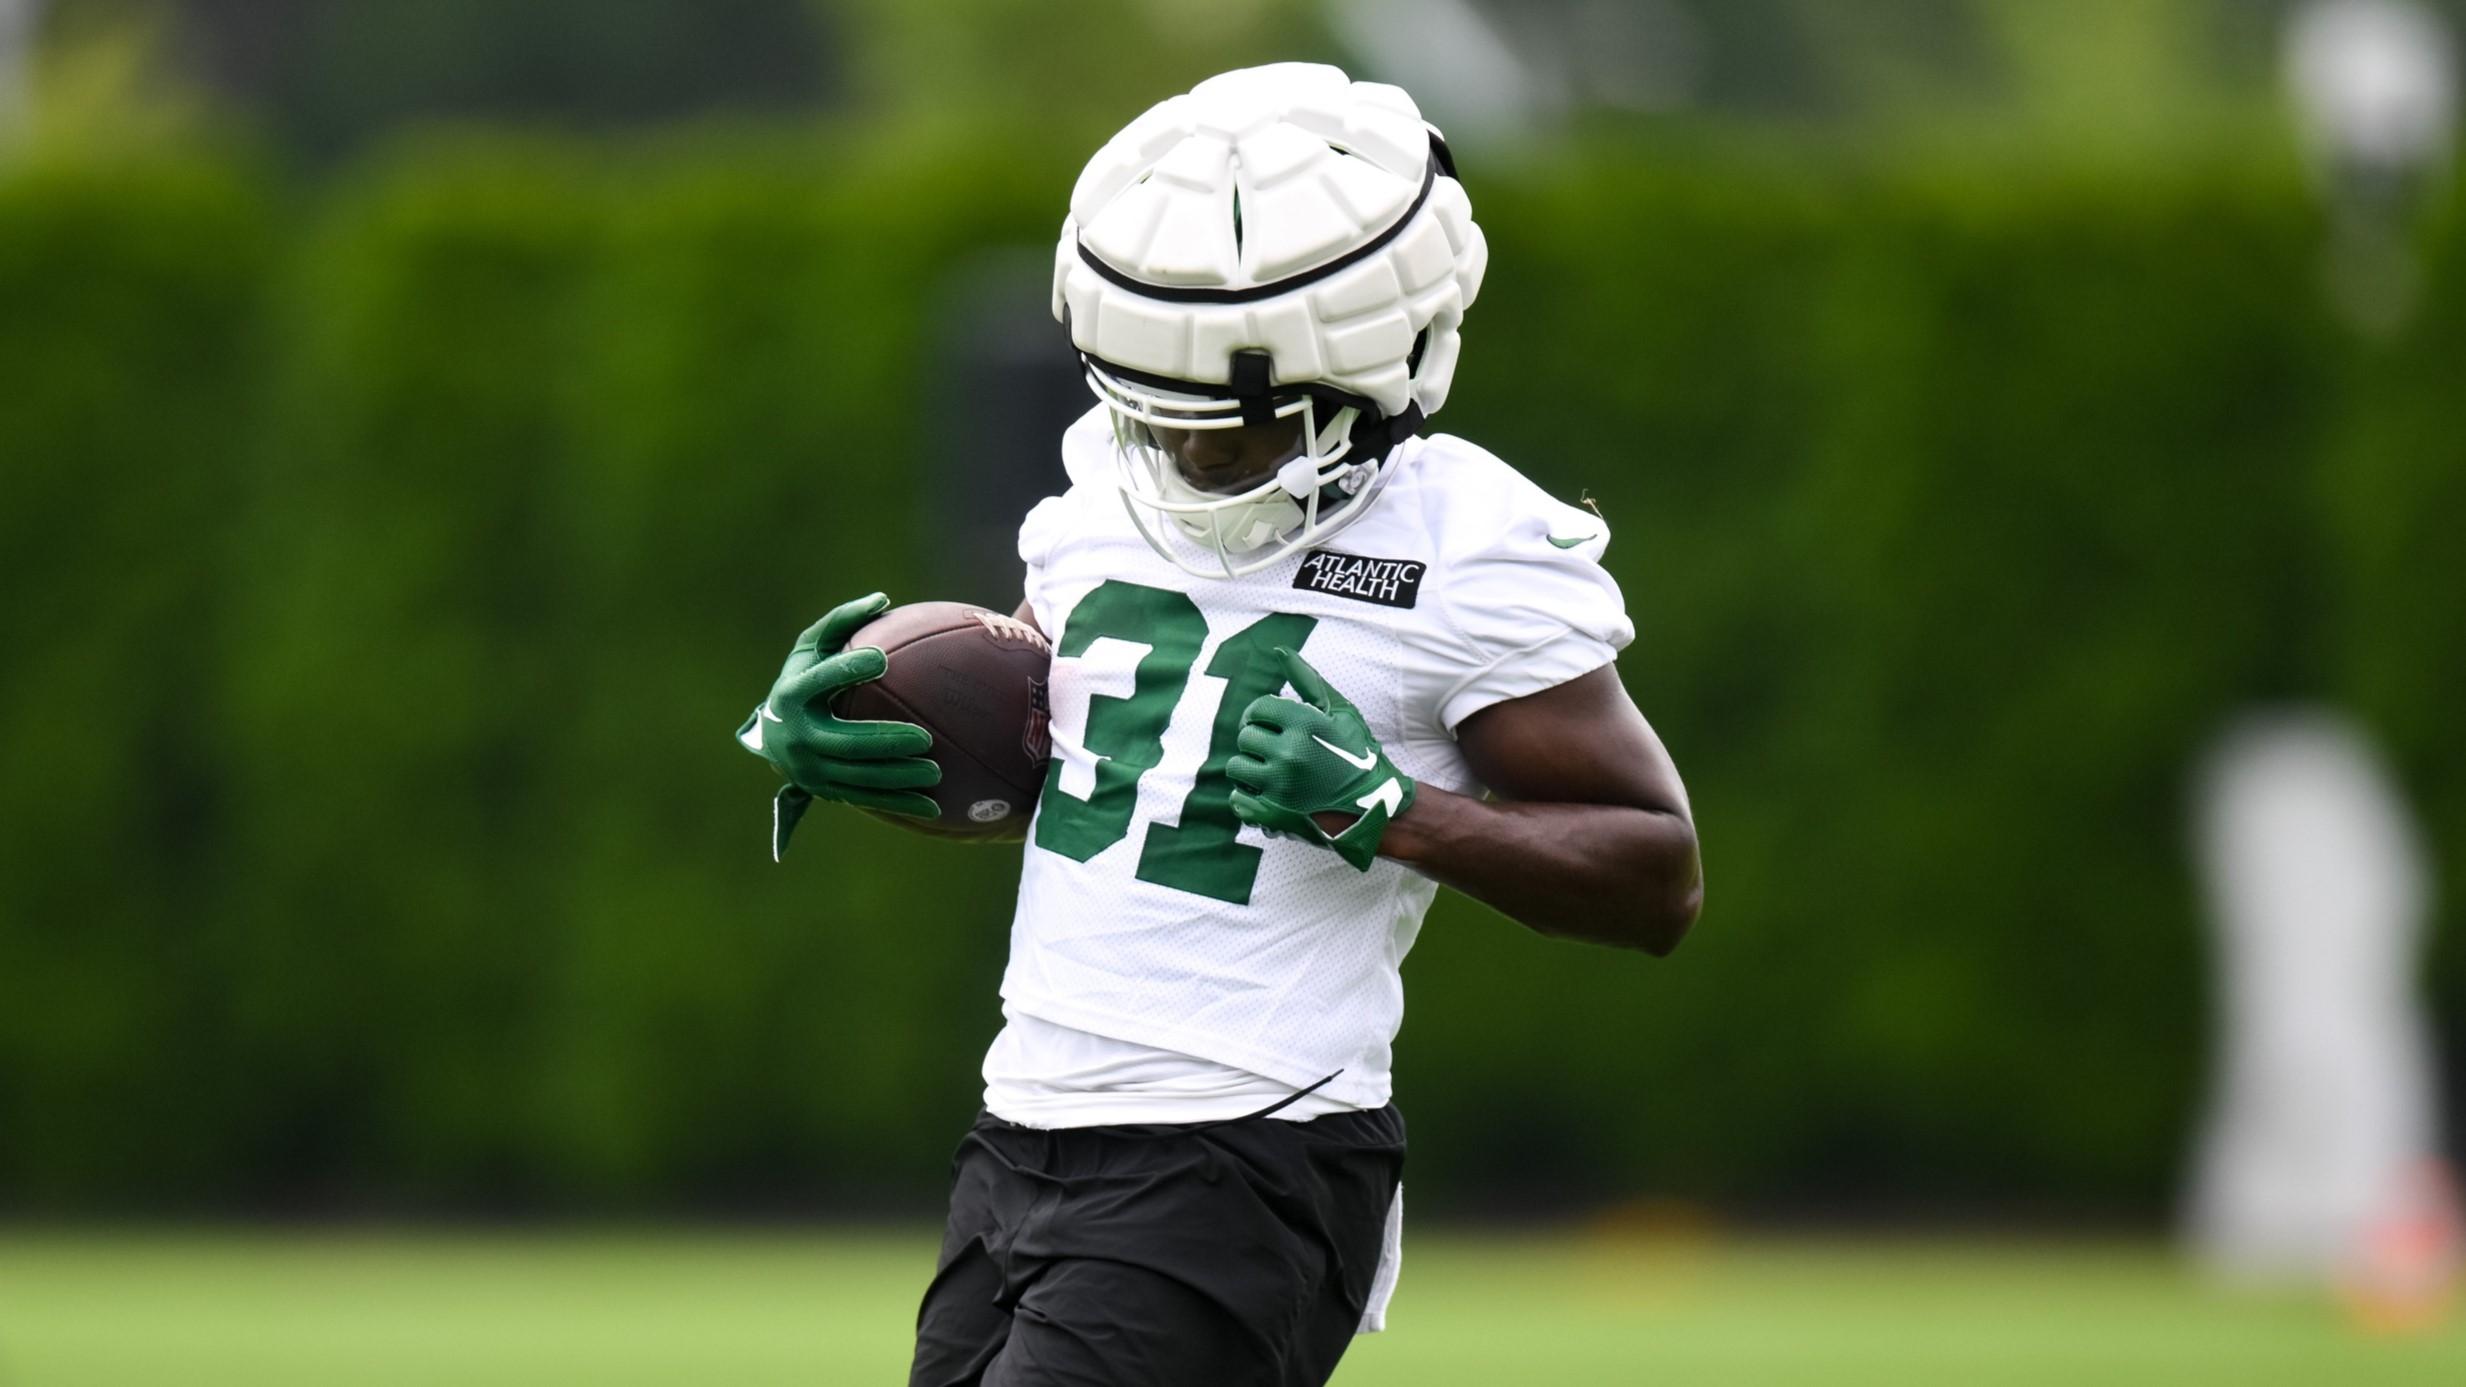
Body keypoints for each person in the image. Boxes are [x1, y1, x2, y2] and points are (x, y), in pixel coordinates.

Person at [738, 63, 1703, 1387]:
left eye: (1237, 431)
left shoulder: (1469, 550)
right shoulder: (1088, 503)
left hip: (1245, 1151)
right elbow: (1097, 778)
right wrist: (850, 735)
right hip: (1026, 1125)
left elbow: (1656, 879)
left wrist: (1389, 812)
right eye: (1153, 411)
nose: (1186, 461)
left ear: (1384, 371)